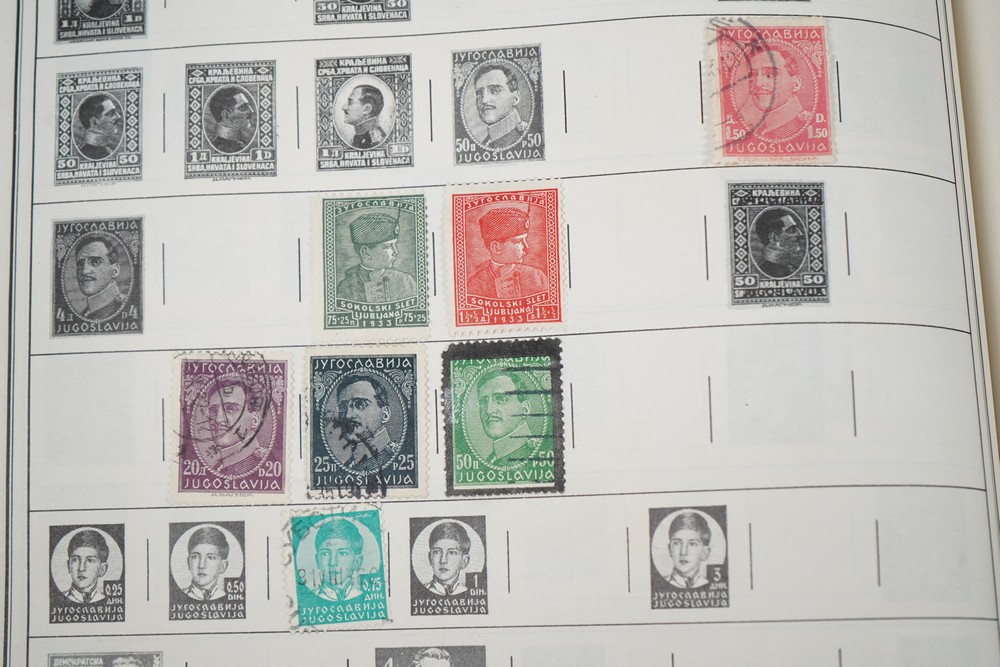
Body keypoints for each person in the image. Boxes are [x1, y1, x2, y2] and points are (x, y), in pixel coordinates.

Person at [467, 207, 548, 300]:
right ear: (496, 247)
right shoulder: (477, 283)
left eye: (525, 240)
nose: (526, 247)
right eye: (518, 241)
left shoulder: (535, 277)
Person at [337, 212, 417, 303]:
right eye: (388, 246)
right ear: (365, 253)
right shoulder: (346, 288)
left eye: (394, 245)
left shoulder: (405, 282)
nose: (396, 252)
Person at [325, 375, 399, 472]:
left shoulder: (395, 457)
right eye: (343, 407)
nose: (348, 415)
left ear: (385, 414)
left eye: (360, 404)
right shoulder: (348, 466)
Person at [744, 43, 811, 141]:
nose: (757, 83)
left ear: (796, 84)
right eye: (753, 76)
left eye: (770, 74)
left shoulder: (807, 125)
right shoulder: (760, 131)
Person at [201, 377, 266, 476]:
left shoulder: (263, 463)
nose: (218, 419)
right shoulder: (217, 468)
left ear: (255, 420)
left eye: (231, 409)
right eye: (213, 411)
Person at [475, 369, 539, 465]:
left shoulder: (535, 453)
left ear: (525, 409)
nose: (489, 410)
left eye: (500, 399)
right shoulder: (491, 460)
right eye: (483, 402)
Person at [474, 63, 528, 149]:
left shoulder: (524, 136)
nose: (484, 100)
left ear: (515, 98)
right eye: (479, 93)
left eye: (494, 90)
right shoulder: (486, 143)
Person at [74, 234, 126, 320]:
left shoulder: (124, 307)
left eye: (95, 261)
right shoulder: (84, 315)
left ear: (115, 270)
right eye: (80, 264)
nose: (84, 271)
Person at [313, 519, 366, 602]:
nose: (333, 563)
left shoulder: (364, 595)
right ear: (317, 561)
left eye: (343, 553)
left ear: (357, 562)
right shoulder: (310, 597)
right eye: (325, 554)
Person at [752, 208, 806, 278]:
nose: (800, 234)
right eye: (791, 230)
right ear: (773, 237)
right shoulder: (771, 270)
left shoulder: (790, 268)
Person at [665, 511, 712, 589]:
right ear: (670, 549)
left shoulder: (710, 584)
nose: (683, 552)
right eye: (677, 543)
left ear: (705, 552)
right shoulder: (660, 584)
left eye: (692, 544)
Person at [62, 529, 111, 604]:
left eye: (90, 560)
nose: (81, 568)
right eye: (75, 560)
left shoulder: (108, 599)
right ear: (68, 565)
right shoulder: (59, 598)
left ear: (102, 569)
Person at [424, 522, 472, 596]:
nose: (443, 561)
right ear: (430, 558)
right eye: (437, 552)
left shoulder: (469, 591)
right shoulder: (420, 590)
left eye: (452, 553)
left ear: (464, 561)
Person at [183, 526, 230, 601]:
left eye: (211, 558)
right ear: (188, 562)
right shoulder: (179, 595)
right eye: (195, 557)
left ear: (223, 566)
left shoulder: (227, 596)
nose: (201, 565)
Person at [207, 86, 255, 154]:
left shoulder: (244, 144)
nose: (251, 111)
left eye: (248, 106)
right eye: (243, 107)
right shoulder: (215, 146)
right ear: (225, 115)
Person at [75, 93, 122, 160]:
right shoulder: (79, 153)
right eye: (111, 113)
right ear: (94, 122)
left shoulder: (110, 152)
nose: (118, 116)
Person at [342, 84, 387, 149]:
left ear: (366, 109)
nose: (344, 107)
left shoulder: (375, 140)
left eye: (350, 102)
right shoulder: (361, 136)